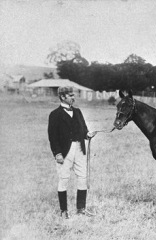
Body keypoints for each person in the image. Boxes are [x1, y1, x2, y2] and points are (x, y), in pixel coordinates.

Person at [48, 86, 97, 219]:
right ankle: (64, 211)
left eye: (73, 95)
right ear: (62, 97)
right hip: (64, 152)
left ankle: (81, 209)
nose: (73, 97)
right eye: (70, 95)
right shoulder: (54, 115)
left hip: (80, 149)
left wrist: (88, 134)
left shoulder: (78, 112)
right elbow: (52, 137)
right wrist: (57, 153)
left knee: (82, 177)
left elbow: (84, 129)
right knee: (63, 179)